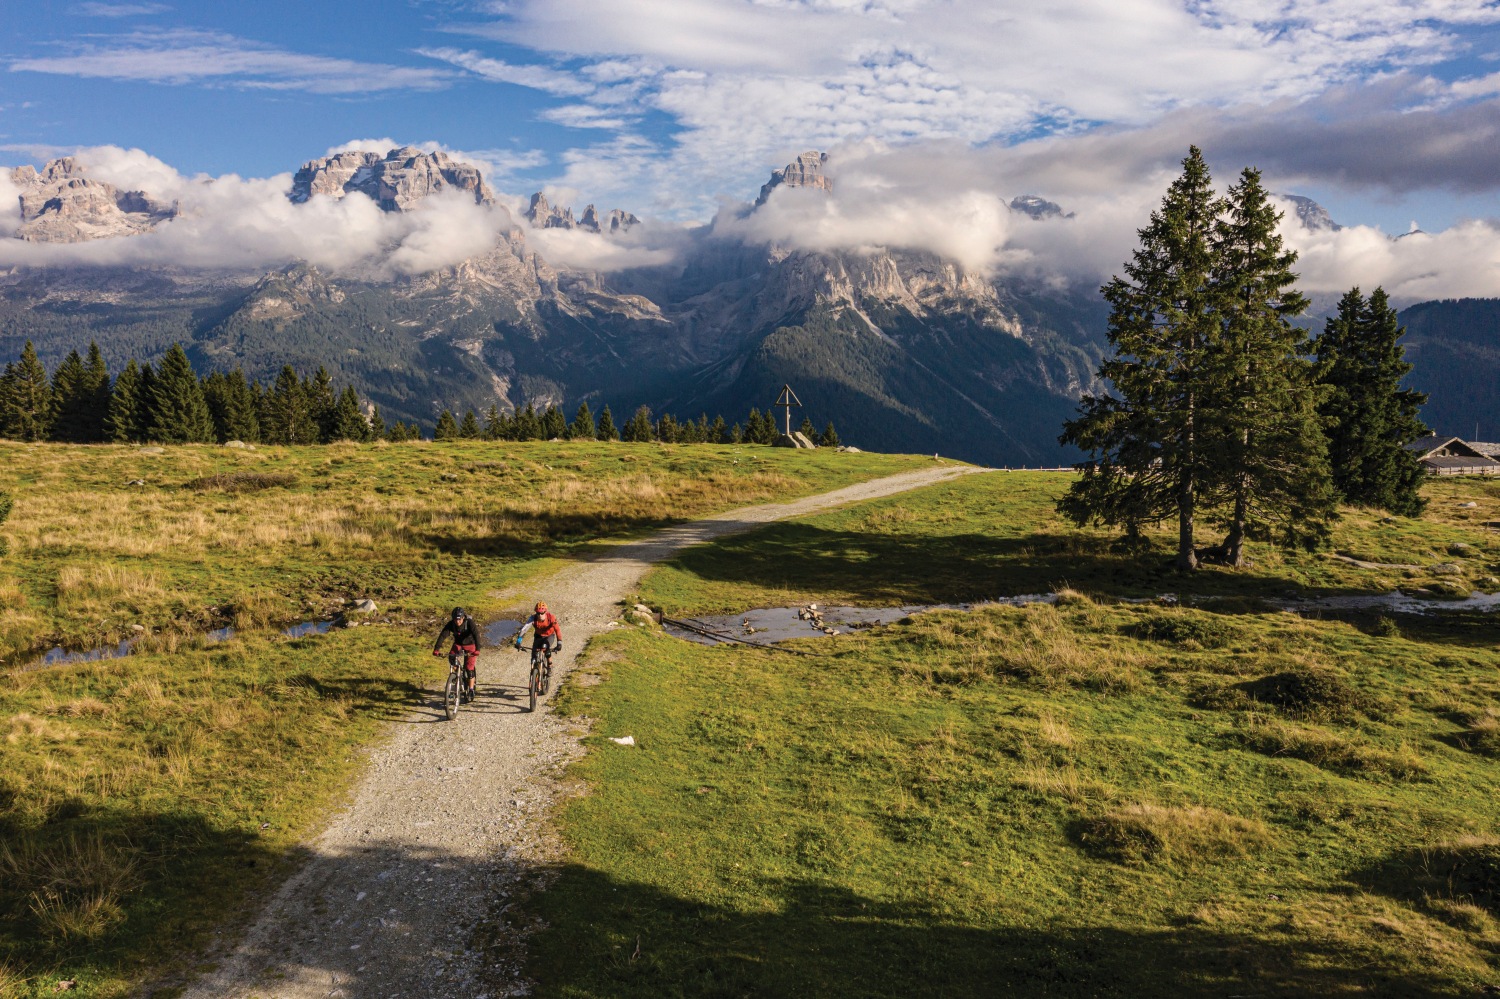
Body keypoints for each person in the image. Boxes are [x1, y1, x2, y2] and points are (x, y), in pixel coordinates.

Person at [433, 606, 481, 702]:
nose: (457, 621)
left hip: (470, 645)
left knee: (469, 668)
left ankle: (471, 689)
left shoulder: (469, 623)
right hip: (458, 645)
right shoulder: (451, 624)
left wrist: (478, 649)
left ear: (463, 617)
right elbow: (443, 635)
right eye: (455, 619)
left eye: (459, 619)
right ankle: (456, 675)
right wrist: (436, 649)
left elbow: (476, 634)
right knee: (451, 657)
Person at [513, 601, 563, 666]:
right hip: (538, 636)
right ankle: (533, 673)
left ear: (545, 612)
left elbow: (557, 630)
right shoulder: (533, 618)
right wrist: (518, 642)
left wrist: (559, 643)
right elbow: (524, 630)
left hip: (549, 636)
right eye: (538, 613)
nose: (540, 615)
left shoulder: (551, 618)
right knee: (533, 656)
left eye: (542, 613)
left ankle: (550, 665)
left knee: (545, 648)